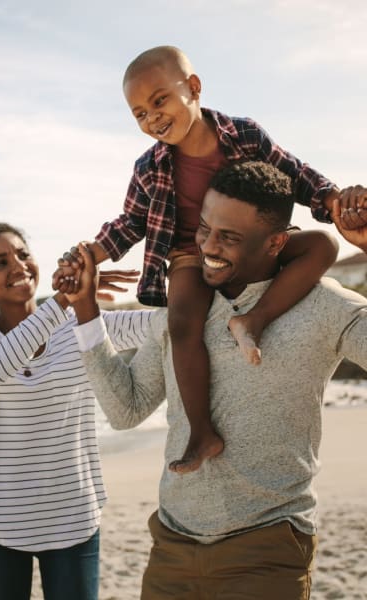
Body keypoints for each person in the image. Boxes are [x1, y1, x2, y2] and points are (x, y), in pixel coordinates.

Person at [55, 45, 367, 474]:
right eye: (140, 114)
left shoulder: (244, 135)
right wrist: (93, 252)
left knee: (322, 247)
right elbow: (131, 222)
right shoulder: (149, 167)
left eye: (160, 100)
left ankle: (253, 320)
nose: (153, 118)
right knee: (182, 321)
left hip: (254, 246)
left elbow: (295, 174)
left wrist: (334, 201)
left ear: (194, 88)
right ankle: (202, 433)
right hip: (190, 253)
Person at [63, 160, 367, 599]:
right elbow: (125, 409)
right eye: (205, 228)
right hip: (172, 547)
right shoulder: (181, 311)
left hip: (268, 551)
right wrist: (86, 311)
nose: (207, 246)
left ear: (277, 242)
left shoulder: (325, 307)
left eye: (229, 237)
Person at [0, 212, 152, 600]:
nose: (18, 266)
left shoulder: (82, 323)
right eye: (1, 263)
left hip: (74, 518)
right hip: (1, 521)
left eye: (22, 254)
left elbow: (163, 325)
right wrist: (64, 301)